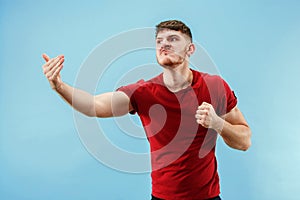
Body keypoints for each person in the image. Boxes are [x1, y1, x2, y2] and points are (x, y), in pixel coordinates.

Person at [41, 20, 251, 200]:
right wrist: (59, 86)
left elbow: (244, 141)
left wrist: (217, 123)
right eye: (159, 41)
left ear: (190, 50)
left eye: (173, 39)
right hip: (161, 198)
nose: (164, 45)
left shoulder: (214, 86)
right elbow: (94, 106)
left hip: (208, 197)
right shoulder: (143, 92)